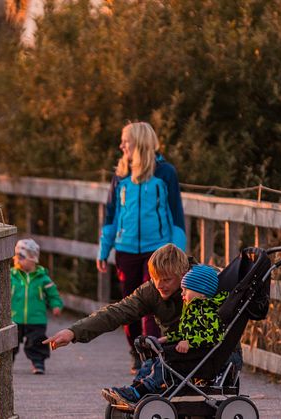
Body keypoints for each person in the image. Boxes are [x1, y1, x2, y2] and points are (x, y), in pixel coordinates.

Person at [96, 121, 187, 373]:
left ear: (139, 142)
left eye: (126, 141)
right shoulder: (120, 176)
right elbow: (111, 215)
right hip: (125, 250)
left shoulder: (165, 173)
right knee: (130, 305)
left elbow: (176, 215)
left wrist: (178, 256)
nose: (121, 145)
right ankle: (136, 352)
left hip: (156, 250)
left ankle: (152, 355)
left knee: (153, 302)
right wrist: (104, 249)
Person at [45, 244, 190, 366]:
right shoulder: (151, 290)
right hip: (173, 349)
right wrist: (73, 332)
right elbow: (116, 312)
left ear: (183, 274)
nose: (159, 285)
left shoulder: (205, 285)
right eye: (155, 278)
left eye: (166, 280)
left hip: (198, 349)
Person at [103, 264, 228, 404]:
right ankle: (136, 388)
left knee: (163, 361)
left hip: (198, 357)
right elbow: (185, 333)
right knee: (151, 359)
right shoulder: (193, 310)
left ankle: (140, 391)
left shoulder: (209, 313)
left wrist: (190, 342)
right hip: (189, 354)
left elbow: (214, 336)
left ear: (201, 293)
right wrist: (168, 338)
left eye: (185, 290)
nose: (182, 294)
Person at [11, 238, 64, 374]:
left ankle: (38, 363)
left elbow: (53, 294)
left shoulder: (42, 278)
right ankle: (5, 365)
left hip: (36, 318)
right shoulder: (12, 276)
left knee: (37, 342)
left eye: (21, 258)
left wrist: (56, 305)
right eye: (16, 258)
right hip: (14, 317)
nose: (17, 261)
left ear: (33, 258)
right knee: (10, 344)